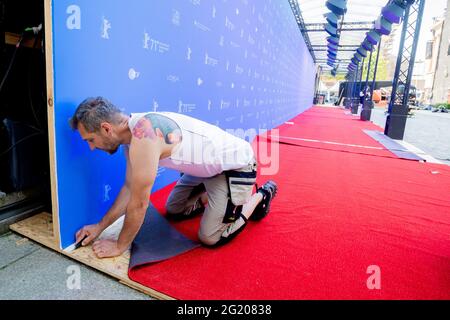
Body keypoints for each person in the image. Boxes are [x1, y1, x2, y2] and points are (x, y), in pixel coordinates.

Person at [69, 97, 278, 258]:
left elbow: (139, 203)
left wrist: (120, 245)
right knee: (174, 209)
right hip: (205, 169)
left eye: (91, 139)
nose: (91, 147)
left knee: (210, 237)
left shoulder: (144, 134)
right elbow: (129, 188)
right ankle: (216, 199)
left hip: (236, 165)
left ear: (106, 128)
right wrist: (99, 227)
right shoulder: (132, 137)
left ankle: (260, 195)